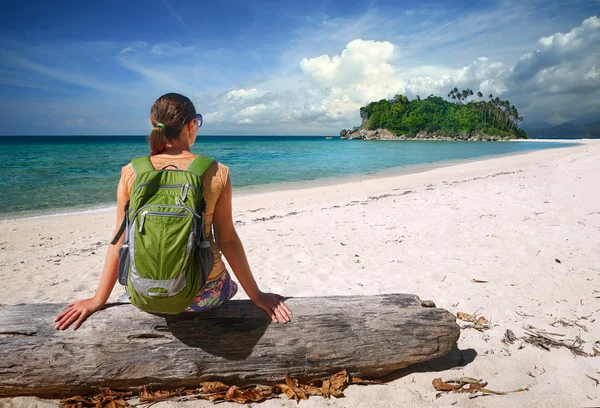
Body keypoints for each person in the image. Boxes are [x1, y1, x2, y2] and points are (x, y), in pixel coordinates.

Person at [55, 93, 292, 330]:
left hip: (146, 297)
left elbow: (120, 239)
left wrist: (98, 299)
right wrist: (257, 296)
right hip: (203, 297)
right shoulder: (217, 172)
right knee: (230, 285)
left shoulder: (131, 172)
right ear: (191, 125)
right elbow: (227, 240)